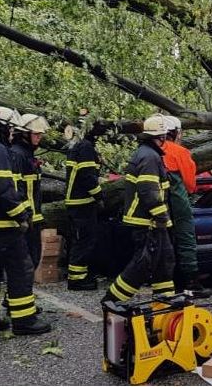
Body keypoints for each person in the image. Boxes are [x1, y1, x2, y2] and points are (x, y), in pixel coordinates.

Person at [0, 106, 51, 336]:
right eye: (12, 128)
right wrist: (22, 214)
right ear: (5, 128)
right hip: (3, 223)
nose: (13, 133)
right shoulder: (0, 151)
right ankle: (24, 321)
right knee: (20, 269)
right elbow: (5, 188)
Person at [102, 114, 175, 302]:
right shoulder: (150, 157)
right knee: (141, 265)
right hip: (146, 221)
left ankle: (165, 302)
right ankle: (112, 300)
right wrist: (161, 218)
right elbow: (149, 192)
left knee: (164, 261)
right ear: (161, 137)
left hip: (149, 220)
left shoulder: (147, 154)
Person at [161, 116, 212, 297]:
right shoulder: (179, 152)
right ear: (176, 132)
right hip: (177, 200)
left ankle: (165, 283)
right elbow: (191, 184)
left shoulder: (148, 151)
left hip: (155, 203)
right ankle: (191, 282)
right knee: (185, 238)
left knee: (163, 240)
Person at [63, 119, 103, 291]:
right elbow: (87, 176)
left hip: (76, 201)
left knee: (79, 239)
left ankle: (80, 275)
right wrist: (99, 195)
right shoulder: (85, 147)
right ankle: (77, 279)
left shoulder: (76, 145)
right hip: (82, 202)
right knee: (84, 239)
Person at [9, 113, 50, 270]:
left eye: (40, 134)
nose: (39, 137)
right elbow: (16, 188)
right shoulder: (17, 155)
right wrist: (25, 214)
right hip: (25, 219)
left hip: (33, 218)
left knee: (33, 259)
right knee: (25, 263)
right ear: (24, 134)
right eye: (36, 134)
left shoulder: (27, 155)